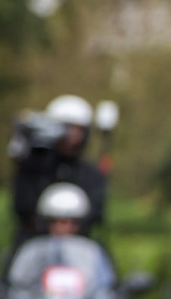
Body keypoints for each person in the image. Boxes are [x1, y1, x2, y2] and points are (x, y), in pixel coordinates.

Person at [10, 95, 107, 245]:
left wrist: (74, 227)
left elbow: (96, 212)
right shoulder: (33, 168)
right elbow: (22, 207)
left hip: (80, 247)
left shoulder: (91, 174)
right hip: (36, 245)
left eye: (78, 129)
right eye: (66, 127)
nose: (72, 135)